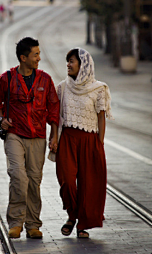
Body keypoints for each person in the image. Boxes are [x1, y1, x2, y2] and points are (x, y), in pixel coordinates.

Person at [0, 37, 59, 239]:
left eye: (39, 53)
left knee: (34, 180)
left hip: (38, 136)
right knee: (18, 176)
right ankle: (16, 222)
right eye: (36, 55)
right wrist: (2, 119)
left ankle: (33, 224)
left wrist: (54, 136)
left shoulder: (45, 80)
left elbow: (54, 108)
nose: (39, 58)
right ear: (23, 58)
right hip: (14, 135)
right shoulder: (6, 79)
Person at [54, 48, 112, 239]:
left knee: (89, 185)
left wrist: (100, 143)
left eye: (72, 61)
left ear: (83, 65)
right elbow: (56, 117)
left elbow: (101, 117)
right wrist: (53, 137)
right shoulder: (62, 87)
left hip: (90, 141)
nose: (68, 65)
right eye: (67, 61)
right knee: (67, 181)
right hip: (68, 140)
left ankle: (81, 224)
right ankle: (72, 215)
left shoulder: (99, 89)